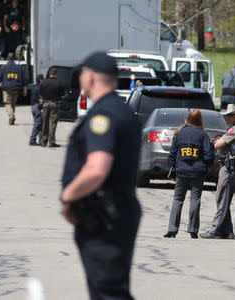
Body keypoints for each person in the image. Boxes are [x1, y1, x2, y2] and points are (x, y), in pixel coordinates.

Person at [60, 51, 142, 299]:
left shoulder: (103, 116)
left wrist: (68, 197)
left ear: (91, 76)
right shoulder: (122, 110)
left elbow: (97, 169)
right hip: (114, 212)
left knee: (108, 292)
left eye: (82, 74)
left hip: (104, 216)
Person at [164, 109, 215, 239]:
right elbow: (209, 156)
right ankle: (193, 229)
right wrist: (204, 166)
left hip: (181, 171)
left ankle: (172, 229)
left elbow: (172, 154)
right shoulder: (203, 135)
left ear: (188, 119)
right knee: (195, 199)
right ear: (200, 120)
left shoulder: (179, 134)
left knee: (177, 199)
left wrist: (172, 170)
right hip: (198, 172)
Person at [200, 104, 235, 239]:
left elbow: (218, 145)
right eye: (227, 115)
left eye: (231, 115)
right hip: (229, 167)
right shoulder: (234, 129)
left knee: (223, 199)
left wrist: (220, 143)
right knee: (222, 199)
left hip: (230, 168)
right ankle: (228, 231)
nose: (228, 117)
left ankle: (215, 230)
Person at [0, 52, 27, 125]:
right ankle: (12, 116)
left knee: (7, 103)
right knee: (13, 103)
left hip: (7, 88)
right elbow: (24, 80)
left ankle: (11, 116)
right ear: (14, 59)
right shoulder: (19, 68)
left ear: (7, 59)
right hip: (17, 88)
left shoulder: (4, 67)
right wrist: (25, 90)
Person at [39, 67, 64, 147]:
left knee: (45, 123)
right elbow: (62, 96)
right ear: (56, 74)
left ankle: (43, 141)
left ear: (49, 74)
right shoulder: (59, 82)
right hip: (54, 104)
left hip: (46, 104)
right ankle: (51, 142)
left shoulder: (44, 82)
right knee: (52, 123)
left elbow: (41, 95)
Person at [29, 74, 44, 146]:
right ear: (41, 80)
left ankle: (41, 140)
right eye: (43, 79)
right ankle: (32, 140)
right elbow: (41, 99)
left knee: (40, 123)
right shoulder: (40, 88)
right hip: (37, 107)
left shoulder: (34, 87)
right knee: (37, 124)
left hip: (33, 107)